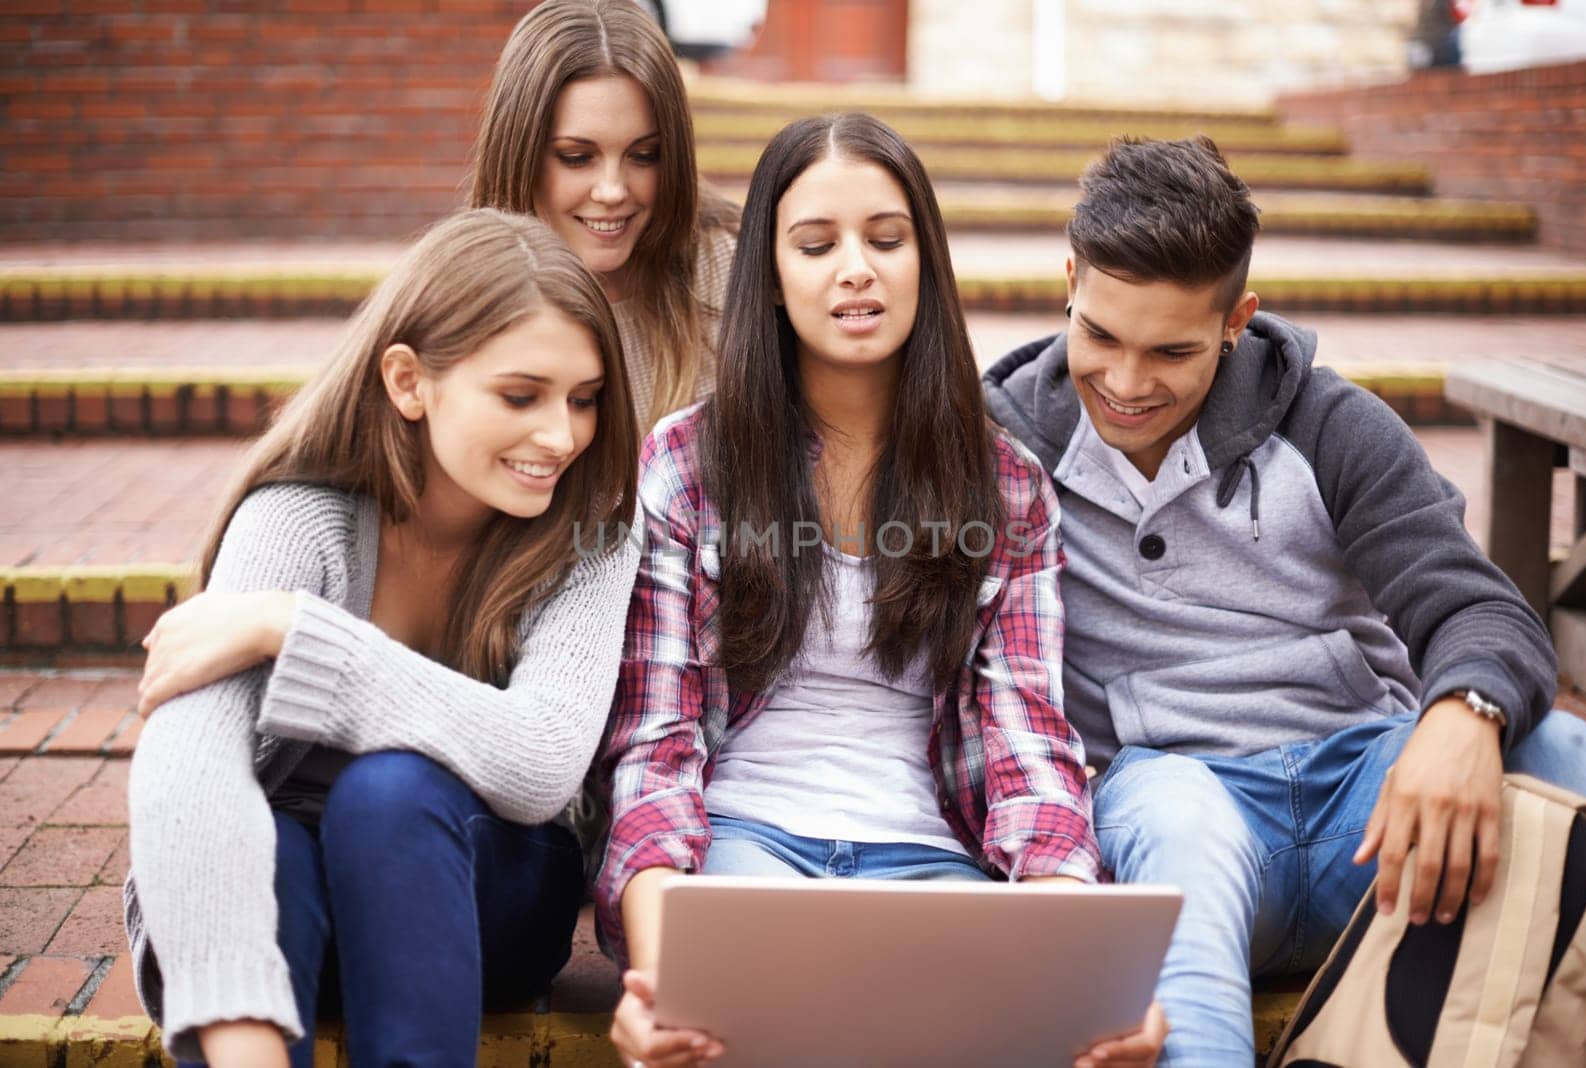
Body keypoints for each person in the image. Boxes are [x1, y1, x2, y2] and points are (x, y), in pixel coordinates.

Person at [981, 135, 1586, 1066]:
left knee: (1558, 749)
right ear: (1069, 279)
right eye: (1099, 334)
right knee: (1172, 814)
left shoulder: (1329, 424)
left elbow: (1480, 609)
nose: (1126, 382)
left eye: (1172, 350)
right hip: (1176, 802)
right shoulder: (1008, 445)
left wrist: (1463, 715)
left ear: (1239, 319)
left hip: (1374, 802)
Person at [594, 113, 1167, 1068]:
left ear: (924, 267)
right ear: (771, 282)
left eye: (885, 240)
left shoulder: (1007, 488)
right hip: (742, 850)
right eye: (816, 245)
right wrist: (662, 977)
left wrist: (1077, 968)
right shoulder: (687, 464)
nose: (854, 268)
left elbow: (1025, 743)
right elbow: (654, 744)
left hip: (930, 863)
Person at [125, 209, 642, 1068]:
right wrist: (239, 1036)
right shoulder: (299, 520)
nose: (561, 436)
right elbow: (187, 760)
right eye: (521, 395)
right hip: (290, 919)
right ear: (409, 382)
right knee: (276, 841)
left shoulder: (590, 539)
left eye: (584, 400)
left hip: (486, 902)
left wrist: (294, 632)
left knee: (389, 792)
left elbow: (544, 757)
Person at [469, 0, 740, 435]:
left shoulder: (731, 275)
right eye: (577, 158)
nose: (613, 191)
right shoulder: (459, 293)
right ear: (518, 152)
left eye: (644, 155)